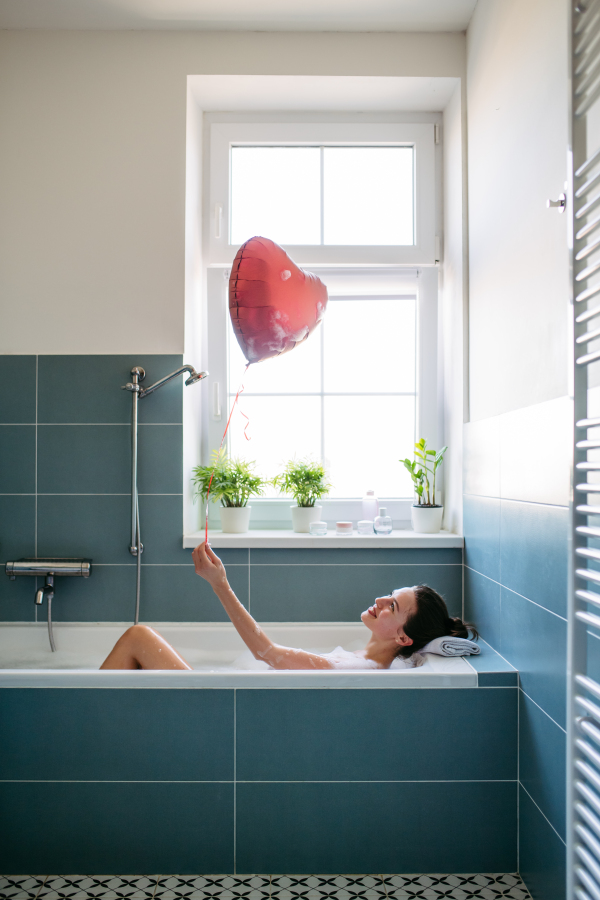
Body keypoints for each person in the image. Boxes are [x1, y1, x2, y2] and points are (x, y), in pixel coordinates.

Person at [100, 542, 477, 671]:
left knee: (139, 636)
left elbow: (267, 652)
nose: (380, 600)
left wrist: (221, 584)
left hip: (215, 715)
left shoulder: (353, 668)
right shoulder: (360, 660)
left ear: (403, 638)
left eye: (392, 605)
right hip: (225, 703)